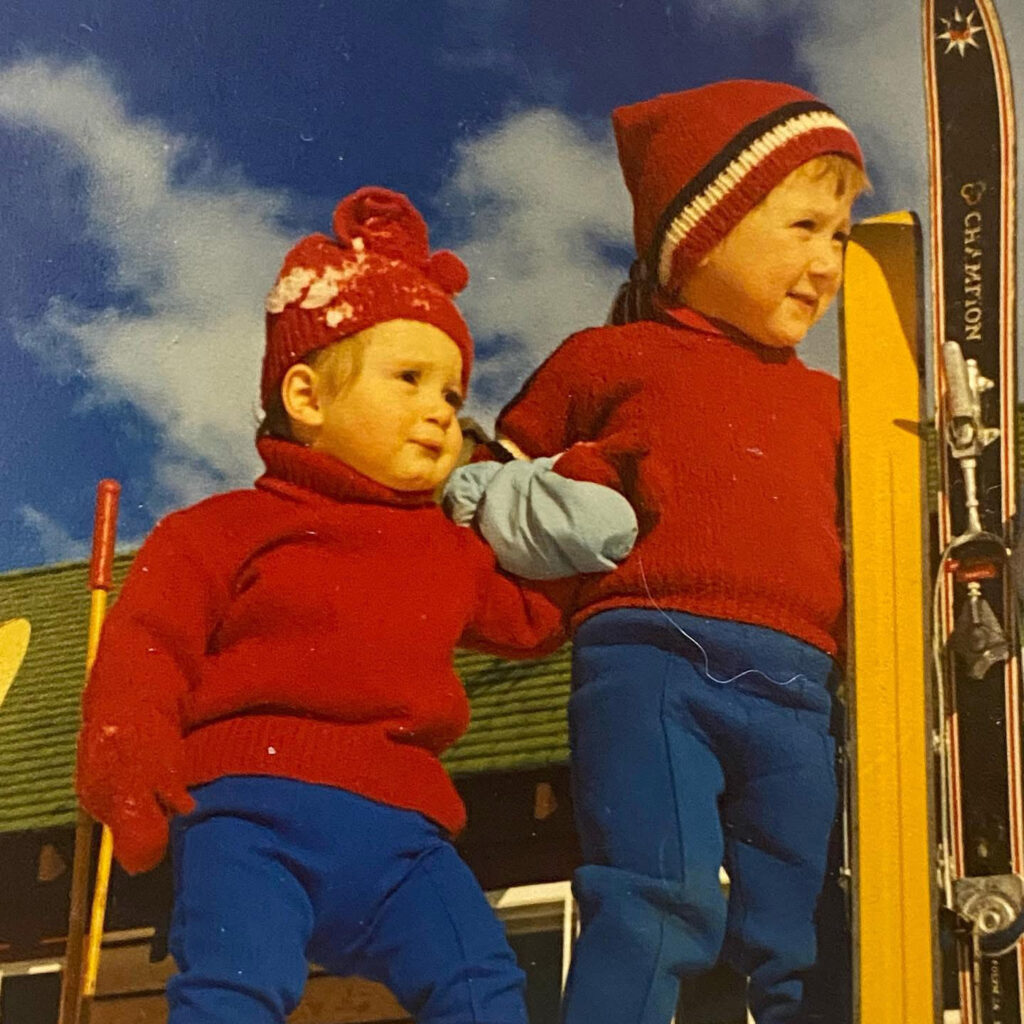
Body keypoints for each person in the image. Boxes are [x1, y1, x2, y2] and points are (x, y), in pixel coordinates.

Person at [74, 186, 635, 1024]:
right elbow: (148, 643)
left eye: (451, 394)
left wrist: (581, 513)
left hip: (402, 837)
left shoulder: (448, 547)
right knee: (235, 982)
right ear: (307, 398)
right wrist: (130, 748)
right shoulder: (225, 528)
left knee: (481, 979)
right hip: (246, 811)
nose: (439, 411)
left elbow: (530, 622)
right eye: (409, 379)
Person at [445, 80, 869, 1024]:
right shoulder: (609, 359)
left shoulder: (833, 405)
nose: (828, 262)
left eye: (840, 236)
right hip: (650, 664)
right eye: (804, 226)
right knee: (656, 891)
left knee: (809, 912)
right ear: (702, 231)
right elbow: (497, 488)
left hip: (802, 689)